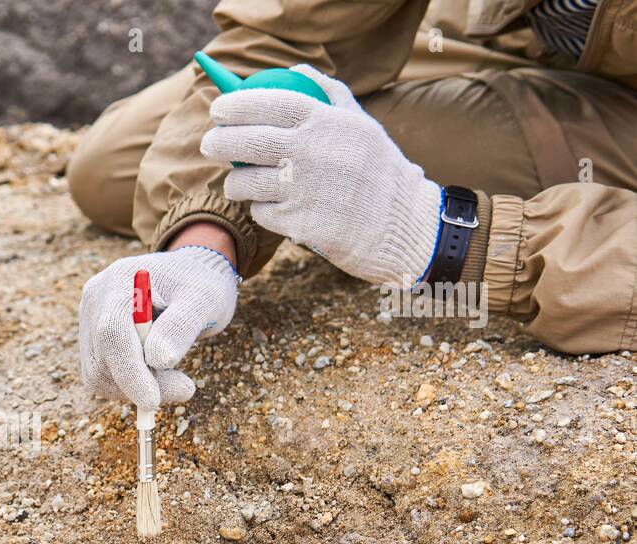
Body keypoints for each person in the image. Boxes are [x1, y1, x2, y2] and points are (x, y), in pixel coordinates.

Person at [70, 0, 637, 416]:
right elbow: (280, 37)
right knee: (110, 169)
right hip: (496, 34)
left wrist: (434, 232)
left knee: (360, 143)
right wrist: (202, 247)